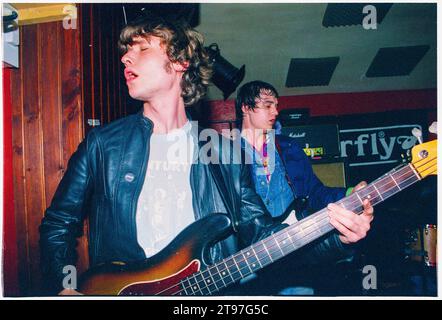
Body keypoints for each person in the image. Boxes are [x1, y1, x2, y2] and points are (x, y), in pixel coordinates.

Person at [39, 14, 373, 296]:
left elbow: (262, 237)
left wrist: (337, 239)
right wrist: (64, 284)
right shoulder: (103, 144)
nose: (126, 57)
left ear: (180, 62)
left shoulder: (224, 153)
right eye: (126, 51)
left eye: (141, 48)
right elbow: (59, 223)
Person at [235, 80, 373, 295]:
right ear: (245, 107)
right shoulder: (225, 153)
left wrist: (349, 192)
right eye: (268, 105)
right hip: (249, 257)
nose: (276, 111)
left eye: (276, 105)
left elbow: (315, 192)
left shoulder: (289, 147)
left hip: (294, 252)